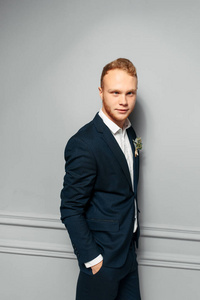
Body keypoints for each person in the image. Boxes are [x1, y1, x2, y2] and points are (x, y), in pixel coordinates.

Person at [60, 58, 141, 300]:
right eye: (115, 92)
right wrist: (94, 260)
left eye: (130, 93)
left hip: (128, 253)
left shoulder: (131, 133)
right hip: (102, 261)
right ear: (100, 92)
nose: (123, 101)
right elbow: (70, 208)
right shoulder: (84, 143)